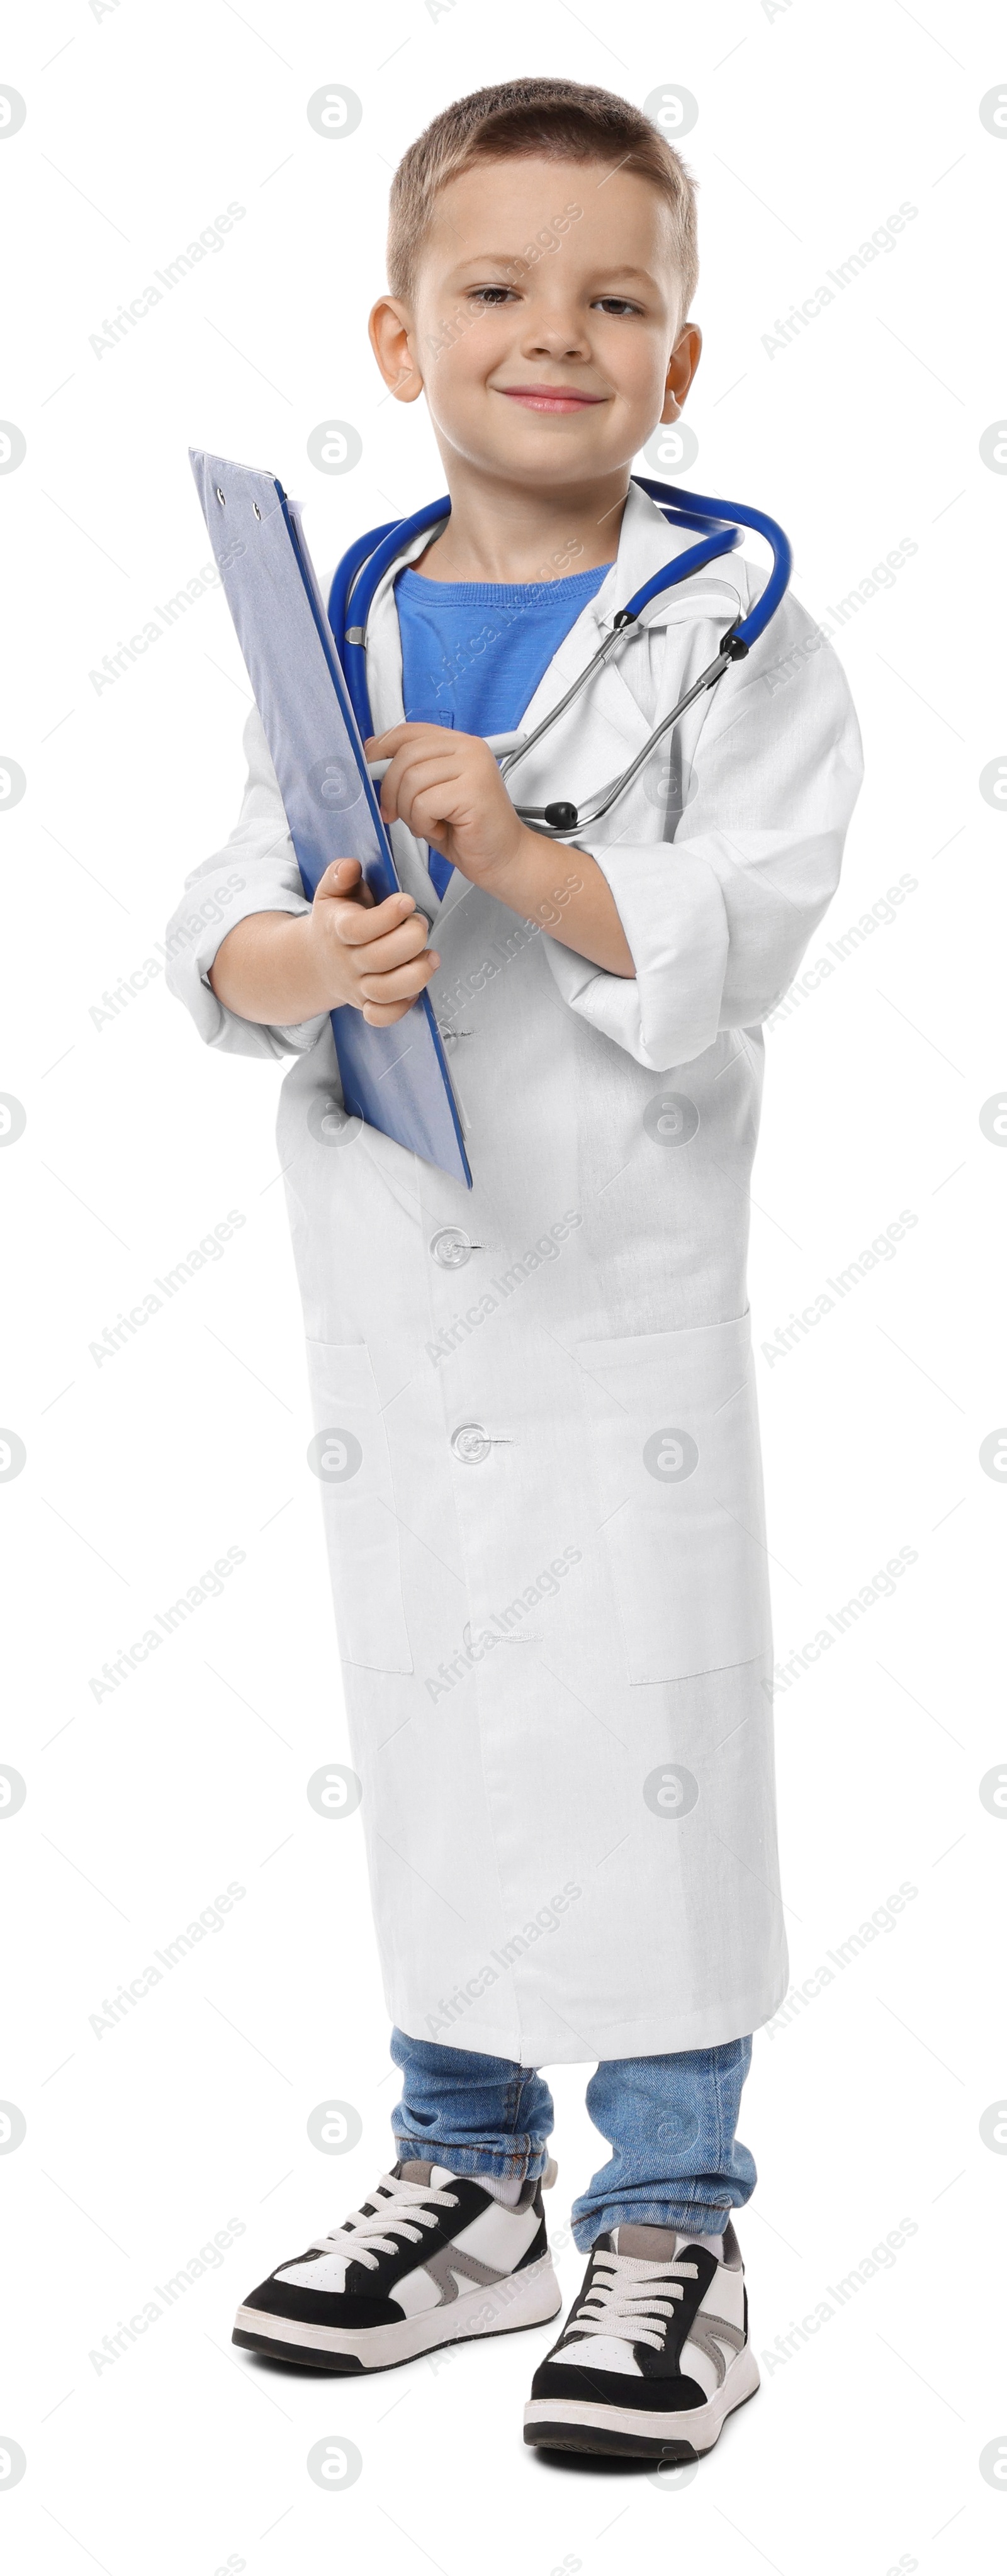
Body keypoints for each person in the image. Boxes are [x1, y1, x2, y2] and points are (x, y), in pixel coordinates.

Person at [166, 76, 862, 2461]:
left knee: (657, 1748)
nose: (553, 333)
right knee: (444, 1737)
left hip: (617, 1290)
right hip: (400, 1284)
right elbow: (220, 916)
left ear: (681, 364)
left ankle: (676, 2214)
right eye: (496, 289)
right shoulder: (342, 614)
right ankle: (468, 2178)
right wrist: (308, 955)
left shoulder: (731, 636)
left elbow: (740, 930)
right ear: (399, 334)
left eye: (615, 301)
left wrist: (526, 846)